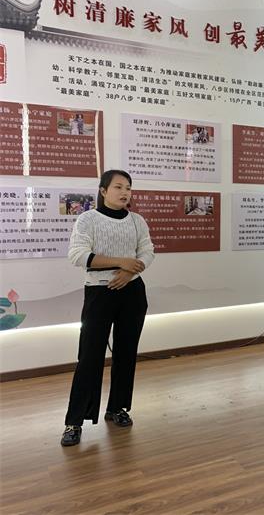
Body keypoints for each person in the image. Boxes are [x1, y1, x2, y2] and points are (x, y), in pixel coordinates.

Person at [61, 169, 155, 447]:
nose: (125, 192)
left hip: (132, 292)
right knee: (89, 356)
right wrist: (121, 261)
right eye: (118, 187)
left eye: (128, 188)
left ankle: (118, 408)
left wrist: (129, 272)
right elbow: (78, 255)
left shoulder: (137, 221)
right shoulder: (88, 219)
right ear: (103, 191)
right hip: (99, 294)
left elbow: (147, 251)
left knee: (126, 353)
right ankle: (74, 421)